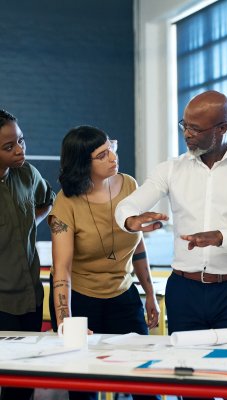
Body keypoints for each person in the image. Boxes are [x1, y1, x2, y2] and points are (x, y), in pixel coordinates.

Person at [115, 90, 227, 338]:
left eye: (196, 129)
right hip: (184, 290)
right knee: (185, 369)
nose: (187, 134)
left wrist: (221, 237)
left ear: (222, 128)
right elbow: (125, 206)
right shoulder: (170, 170)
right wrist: (130, 220)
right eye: (184, 125)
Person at [48, 126, 160, 400]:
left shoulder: (130, 185)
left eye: (111, 148)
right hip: (81, 299)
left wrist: (150, 295)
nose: (113, 158)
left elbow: (138, 245)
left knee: (146, 382)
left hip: (123, 294)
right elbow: (61, 268)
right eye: (102, 155)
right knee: (84, 389)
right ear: (83, 163)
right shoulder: (66, 202)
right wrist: (66, 322)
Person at [0, 109, 55, 400]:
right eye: (9, 147)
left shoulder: (28, 174)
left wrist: (27, 222)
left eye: (21, 141)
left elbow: (48, 200)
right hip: (1, 303)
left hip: (31, 298)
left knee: (21, 384)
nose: (19, 150)